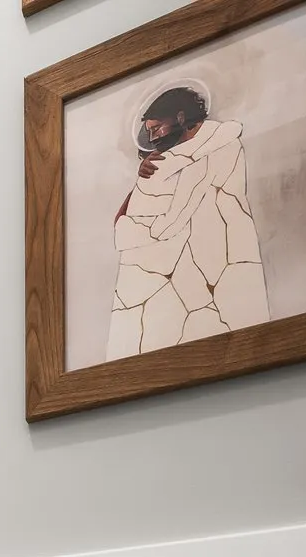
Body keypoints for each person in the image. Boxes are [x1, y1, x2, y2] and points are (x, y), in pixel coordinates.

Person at [107, 84, 270, 360]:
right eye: (149, 131)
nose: (153, 137)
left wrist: (135, 224)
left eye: (157, 128)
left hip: (215, 264)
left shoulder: (221, 146)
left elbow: (172, 220)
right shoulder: (163, 163)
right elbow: (126, 216)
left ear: (181, 118)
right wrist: (142, 183)